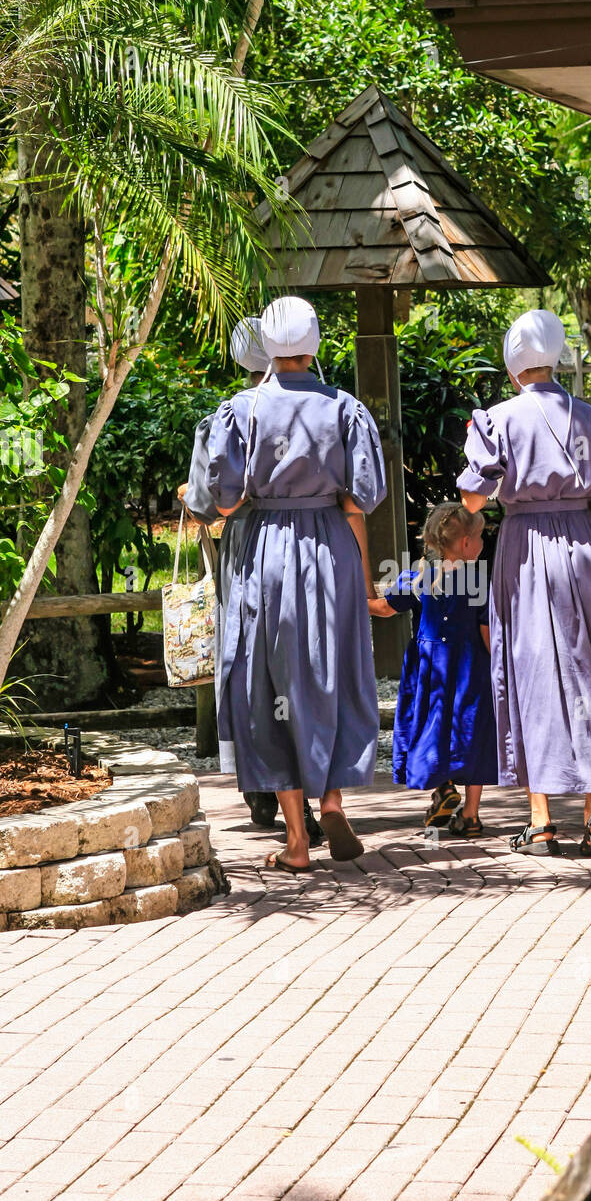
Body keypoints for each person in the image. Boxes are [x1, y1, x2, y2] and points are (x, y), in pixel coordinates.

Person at [457, 309, 591, 857]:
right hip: (585, 545)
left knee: (532, 672)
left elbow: (474, 498)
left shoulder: (496, 419)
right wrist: (576, 504)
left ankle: (541, 818)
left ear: (513, 362)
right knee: (589, 666)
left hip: (524, 547)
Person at [206, 295, 386, 872]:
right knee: (329, 670)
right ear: (312, 344)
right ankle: (332, 798)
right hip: (330, 546)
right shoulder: (345, 408)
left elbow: (223, 498)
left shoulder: (241, 410)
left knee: (269, 685)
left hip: (264, 552)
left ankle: (296, 842)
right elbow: (364, 495)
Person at [178, 317, 324, 846]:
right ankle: (315, 789)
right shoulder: (328, 406)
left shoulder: (228, 419)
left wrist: (191, 499)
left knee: (256, 665)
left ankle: (269, 789)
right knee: (307, 662)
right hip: (317, 549)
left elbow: (206, 502)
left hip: (252, 554)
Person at [369, 502, 497, 838]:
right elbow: (487, 632)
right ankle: (470, 815)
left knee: (431, 726)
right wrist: (500, 666)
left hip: (429, 671)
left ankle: (443, 786)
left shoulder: (417, 575)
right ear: (467, 543)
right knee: (472, 733)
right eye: (480, 536)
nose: (484, 543)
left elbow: (383, 608)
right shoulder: (480, 582)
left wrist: (356, 598)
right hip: (470, 668)